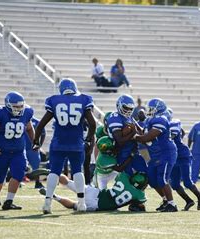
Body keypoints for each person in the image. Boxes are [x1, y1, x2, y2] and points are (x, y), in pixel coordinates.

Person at [33, 78, 96, 214]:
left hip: (58, 143)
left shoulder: (54, 100)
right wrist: (89, 139)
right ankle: (82, 203)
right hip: (76, 143)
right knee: (77, 171)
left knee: (54, 171)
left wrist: (36, 142)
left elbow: (40, 125)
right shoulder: (84, 100)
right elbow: (92, 124)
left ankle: (47, 203)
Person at [0, 92, 34, 211]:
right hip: (1, 151)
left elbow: (29, 128)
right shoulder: (0, 114)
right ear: (8, 105)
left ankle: (9, 201)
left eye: (20, 106)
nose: (18, 109)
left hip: (18, 151)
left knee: (18, 174)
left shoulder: (26, 113)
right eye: (15, 106)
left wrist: (35, 141)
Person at [135, 98, 178, 212]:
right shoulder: (151, 120)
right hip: (155, 154)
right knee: (152, 179)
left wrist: (133, 137)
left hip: (166, 153)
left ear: (158, 109)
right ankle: (165, 200)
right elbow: (144, 134)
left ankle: (172, 204)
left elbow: (147, 138)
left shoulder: (161, 119)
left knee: (162, 179)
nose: (148, 110)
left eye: (151, 108)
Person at [42, 171, 147, 212]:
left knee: (68, 182)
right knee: (75, 205)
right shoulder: (139, 195)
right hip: (97, 204)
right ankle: (56, 197)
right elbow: (140, 204)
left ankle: (52, 173)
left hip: (95, 192)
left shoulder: (124, 178)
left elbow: (123, 174)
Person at [168, 110, 200, 211]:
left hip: (183, 155)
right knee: (174, 184)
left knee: (187, 182)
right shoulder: (160, 124)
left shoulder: (173, 123)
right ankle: (189, 201)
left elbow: (175, 133)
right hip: (173, 157)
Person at [107, 94, 147, 176]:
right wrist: (133, 133)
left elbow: (141, 132)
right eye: (126, 108)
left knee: (144, 176)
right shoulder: (115, 117)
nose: (128, 110)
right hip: (121, 153)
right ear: (119, 105)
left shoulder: (130, 118)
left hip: (133, 151)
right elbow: (120, 141)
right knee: (127, 179)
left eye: (130, 108)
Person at [25, 116, 46, 189]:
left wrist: (39, 146)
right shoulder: (23, 119)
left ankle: (37, 182)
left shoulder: (36, 121)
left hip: (31, 148)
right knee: (20, 165)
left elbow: (43, 133)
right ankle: (19, 181)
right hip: (22, 147)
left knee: (36, 167)